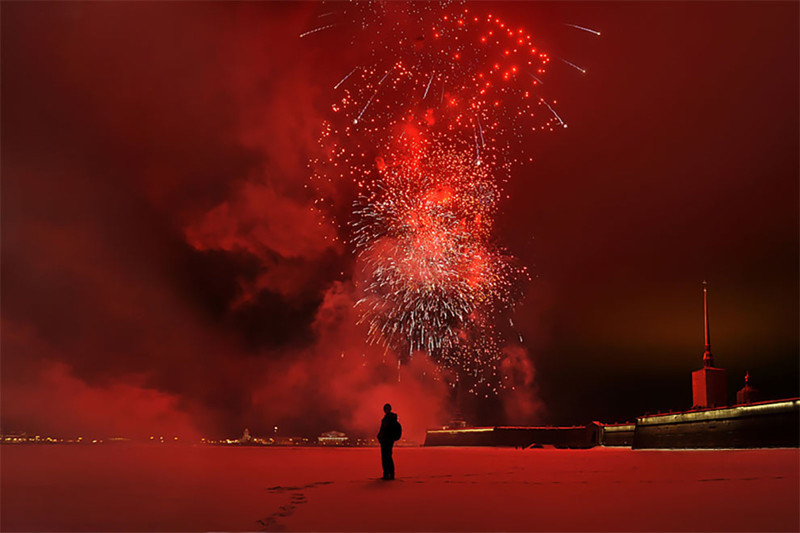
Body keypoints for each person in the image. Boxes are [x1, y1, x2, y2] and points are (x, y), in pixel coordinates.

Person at [377, 403, 401, 480]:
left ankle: (389, 474)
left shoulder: (389, 419)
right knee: (386, 457)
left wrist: (381, 436)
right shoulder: (388, 418)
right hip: (386, 440)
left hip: (387, 440)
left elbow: (385, 430)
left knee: (387, 457)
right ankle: (388, 473)